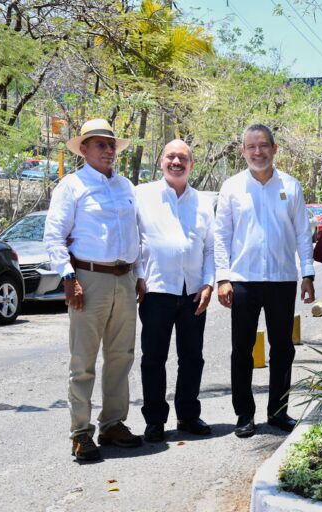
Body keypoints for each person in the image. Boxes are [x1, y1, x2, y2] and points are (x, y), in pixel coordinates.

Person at [44, 118, 144, 461]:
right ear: (83, 149)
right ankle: (80, 432)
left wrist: (139, 274)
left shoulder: (126, 186)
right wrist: (69, 277)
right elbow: (54, 235)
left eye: (111, 144)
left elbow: (136, 235)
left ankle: (113, 423)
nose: (108, 150)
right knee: (83, 361)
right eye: (100, 144)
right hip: (88, 279)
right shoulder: (71, 186)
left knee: (121, 357)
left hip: (125, 278)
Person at [214, 124, 315, 438]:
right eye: (251, 147)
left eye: (263, 146)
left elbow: (302, 234)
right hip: (243, 281)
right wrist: (222, 278)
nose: (258, 152)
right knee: (241, 349)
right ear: (243, 151)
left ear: (274, 148)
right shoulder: (231, 187)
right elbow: (221, 236)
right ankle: (244, 415)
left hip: (282, 280)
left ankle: (279, 412)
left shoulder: (291, 186)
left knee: (283, 348)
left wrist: (307, 275)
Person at [135, 139, 215, 442]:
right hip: (156, 289)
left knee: (192, 357)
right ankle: (155, 420)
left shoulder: (203, 201)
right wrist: (138, 276)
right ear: (161, 161)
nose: (177, 162)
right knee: (153, 358)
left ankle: (188, 415)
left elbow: (210, 248)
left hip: (193, 290)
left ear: (192, 165)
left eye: (183, 158)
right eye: (171, 157)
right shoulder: (142, 195)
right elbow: (133, 240)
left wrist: (208, 283)